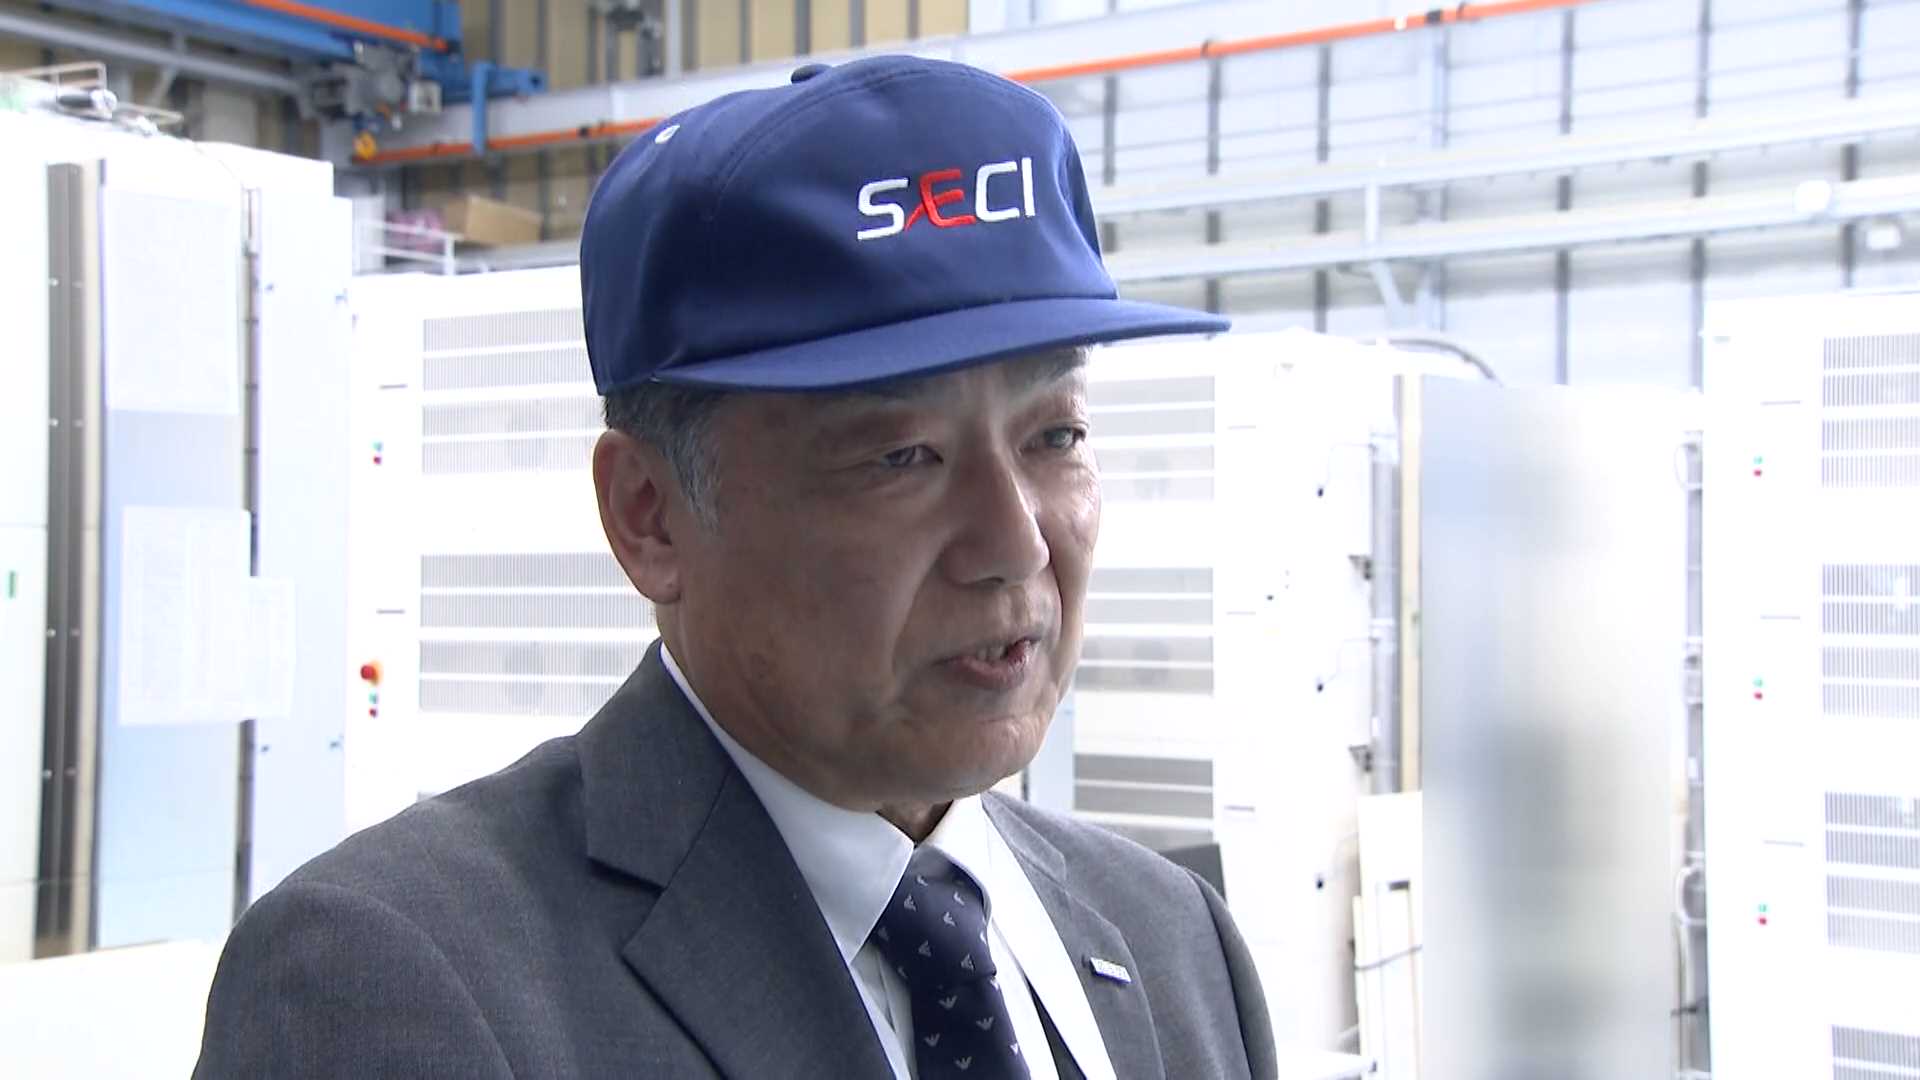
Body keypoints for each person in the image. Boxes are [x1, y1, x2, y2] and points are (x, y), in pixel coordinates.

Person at [195, 54, 1275, 1079]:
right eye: (903, 456)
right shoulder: (395, 986)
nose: (1017, 543)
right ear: (649, 517)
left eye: (1056, 437)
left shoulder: (1174, 941)